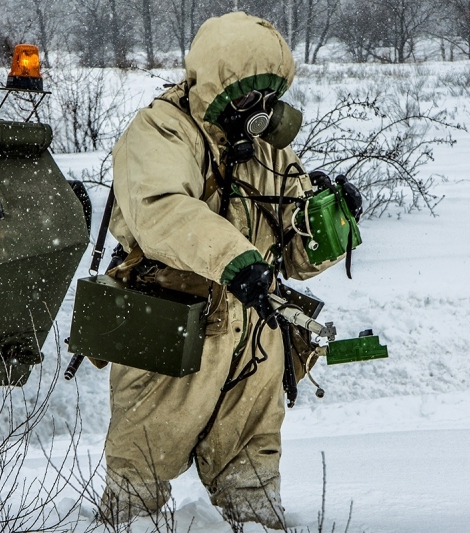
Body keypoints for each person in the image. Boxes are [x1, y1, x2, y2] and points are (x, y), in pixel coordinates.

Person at [101, 12, 346, 529]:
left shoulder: (268, 152)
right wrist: (237, 261)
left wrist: (332, 221)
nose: (261, 113)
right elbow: (162, 209)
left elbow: (299, 260)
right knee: (137, 479)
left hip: (255, 337)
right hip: (171, 324)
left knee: (253, 475)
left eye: (270, 98)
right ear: (215, 82)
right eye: (249, 97)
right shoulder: (162, 131)